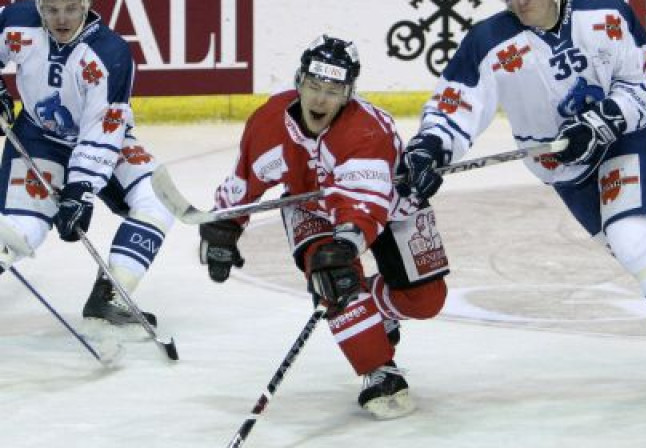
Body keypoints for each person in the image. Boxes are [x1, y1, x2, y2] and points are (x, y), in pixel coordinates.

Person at [400, 0, 646, 404]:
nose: (519, 2)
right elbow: (454, 107)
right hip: (566, 173)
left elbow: (643, 83)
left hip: (627, 141)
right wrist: (430, 149)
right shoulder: (488, 41)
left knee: (634, 238)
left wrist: (604, 120)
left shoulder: (606, 14)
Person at [197, 35, 449, 419]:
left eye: (332, 91)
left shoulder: (368, 131)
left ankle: (374, 310)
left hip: (391, 203)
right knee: (332, 276)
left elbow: (363, 205)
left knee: (427, 300)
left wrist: (347, 242)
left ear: (348, 93)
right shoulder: (268, 123)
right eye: (313, 86)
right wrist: (225, 225)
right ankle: (379, 371)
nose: (319, 100)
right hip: (310, 208)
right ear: (299, 81)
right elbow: (245, 180)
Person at [0, 0, 173, 329]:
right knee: (19, 232)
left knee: (157, 198)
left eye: (71, 8)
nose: (61, 19)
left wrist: (80, 189)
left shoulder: (110, 52)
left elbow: (103, 129)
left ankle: (110, 296)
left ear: (87, 4)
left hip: (101, 142)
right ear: (39, 5)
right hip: (39, 138)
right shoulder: (17, 20)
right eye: (51, 9)